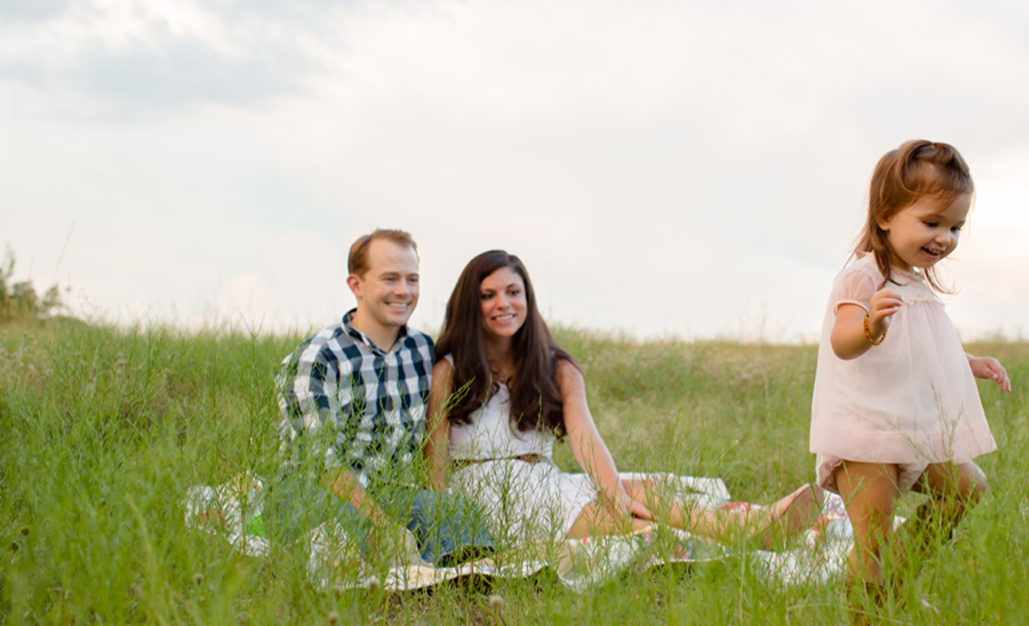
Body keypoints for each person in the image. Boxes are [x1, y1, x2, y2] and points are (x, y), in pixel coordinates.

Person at [423, 249, 822, 551]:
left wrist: (616, 494)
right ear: (471, 305)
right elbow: (434, 457)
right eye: (488, 295)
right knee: (625, 521)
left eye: (513, 291)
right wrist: (444, 526)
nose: (503, 304)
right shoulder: (451, 370)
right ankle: (719, 544)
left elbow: (586, 439)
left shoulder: (555, 367)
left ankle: (753, 526)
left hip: (543, 481)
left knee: (640, 490)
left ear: (528, 298)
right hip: (484, 497)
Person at [808, 140, 1011, 619]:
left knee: (967, 490)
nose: (945, 238)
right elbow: (842, 341)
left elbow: (921, 348)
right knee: (872, 536)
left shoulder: (916, 283)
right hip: (865, 430)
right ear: (885, 216)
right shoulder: (863, 276)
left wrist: (969, 362)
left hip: (915, 428)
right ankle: (868, 611)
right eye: (932, 222)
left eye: (955, 227)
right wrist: (869, 327)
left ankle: (900, 574)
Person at [274, 229, 491, 566]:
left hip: (390, 492)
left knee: (459, 513)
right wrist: (382, 526)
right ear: (356, 285)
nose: (403, 291)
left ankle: (445, 574)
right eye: (389, 279)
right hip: (314, 492)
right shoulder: (318, 357)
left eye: (412, 279)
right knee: (354, 536)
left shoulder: (422, 349)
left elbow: (433, 437)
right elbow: (319, 463)